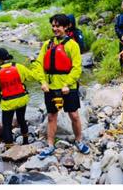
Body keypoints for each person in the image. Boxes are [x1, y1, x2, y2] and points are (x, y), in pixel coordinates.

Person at [35, 14, 89, 157]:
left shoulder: (72, 45)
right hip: (50, 87)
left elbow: (77, 68)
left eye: (58, 26)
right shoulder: (47, 44)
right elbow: (38, 64)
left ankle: (79, 140)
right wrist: (43, 81)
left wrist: (67, 83)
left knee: (74, 115)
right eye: (53, 26)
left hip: (68, 88)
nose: (55, 29)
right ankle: (50, 145)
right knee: (52, 116)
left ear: (66, 27)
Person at [0, 49, 32, 146]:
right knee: (21, 119)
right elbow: (31, 76)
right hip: (22, 99)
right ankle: (26, 141)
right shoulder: (19, 67)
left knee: (7, 124)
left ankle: (9, 146)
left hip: (8, 102)